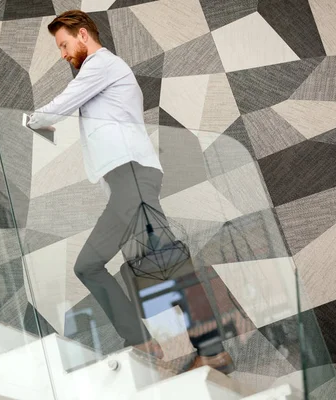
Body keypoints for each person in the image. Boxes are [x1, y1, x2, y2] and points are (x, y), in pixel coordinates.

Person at [27, 10, 233, 372]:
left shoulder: (101, 64)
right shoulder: (103, 70)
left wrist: (31, 119)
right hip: (130, 179)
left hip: (132, 177)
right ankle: (210, 349)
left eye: (63, 44)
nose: (62, 54)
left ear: (83, 35)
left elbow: (64, 102)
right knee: (170, 263)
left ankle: (144, 343)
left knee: (90, 265)